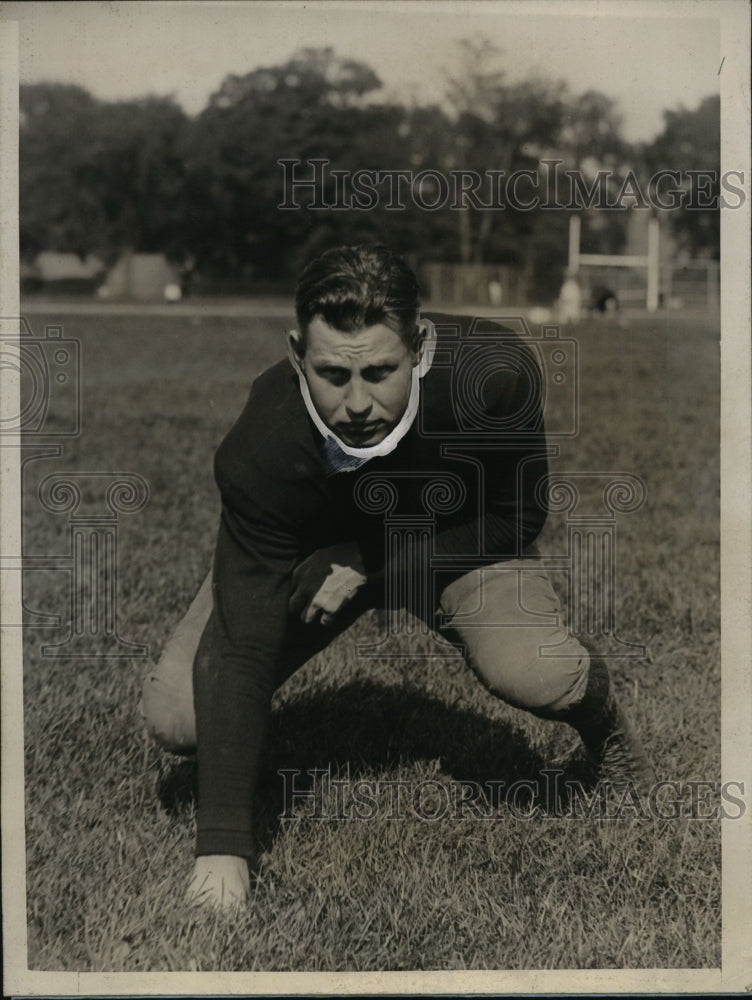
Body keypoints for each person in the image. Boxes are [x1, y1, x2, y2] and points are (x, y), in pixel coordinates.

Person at [141, 244, 655, 911]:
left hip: (453, 540)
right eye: (331, 375)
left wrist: (373, 564)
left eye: (381, 371)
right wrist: (223, 848)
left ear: (422, 347)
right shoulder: (261, 448)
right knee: (179, 715)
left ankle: (608, 736)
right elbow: (239, 647)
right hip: (312, 560)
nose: (356, 403)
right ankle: (247, 768)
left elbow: (516, 517)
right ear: (297, 354)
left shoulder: (491, 373)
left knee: (535, 669)